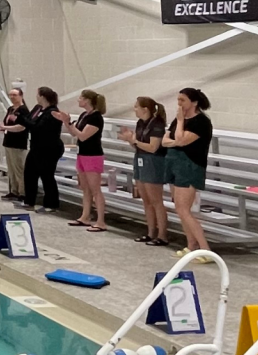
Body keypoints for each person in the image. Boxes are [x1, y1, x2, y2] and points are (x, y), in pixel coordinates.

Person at [162, 88, 214, 262]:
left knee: (184, 210)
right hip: (174, 164)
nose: (179, 104)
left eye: (182, 100)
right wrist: (177, 137)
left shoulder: (201, 122)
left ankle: (205, 250)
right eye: (178, 100)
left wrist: (180, 122)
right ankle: (191, 245)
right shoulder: (179, 121)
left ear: (194, 102)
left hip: (190, 166)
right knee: (179, 208)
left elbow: (181, 140)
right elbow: (165, 140)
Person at [54, 90, 108, 232]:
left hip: (93, 155)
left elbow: (83, 136)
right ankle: (85, 216)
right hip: (82, 153)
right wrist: (66, 122)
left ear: (88, 100)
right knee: (85, 188)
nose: (78, 100)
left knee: (95, 190)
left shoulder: (96, 118)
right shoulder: (85, 115)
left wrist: (69, 122)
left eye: (81, 98)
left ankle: (101, 221)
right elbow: (74, 133)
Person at [118, 97, 169, 246]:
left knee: (156, 200)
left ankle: (163, 235)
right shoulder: (140, 123)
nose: (134, 109)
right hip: (140, 158)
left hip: (154, 162)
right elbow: (139, 146)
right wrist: (129, 139)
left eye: (136, 107)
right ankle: (150, 232)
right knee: (146, 200)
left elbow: (153, 147)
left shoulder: (157, 124)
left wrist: (134, 141)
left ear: (145, 109)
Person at [5, 87, 64, 213]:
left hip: (49, 148)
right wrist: (21, 119)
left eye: (37, 94)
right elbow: (30, 121)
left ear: (42, 96)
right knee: (29, 173)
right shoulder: (38, 108)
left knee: (47, 176)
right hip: (36, 146)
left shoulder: (52, 112)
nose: (36, 96)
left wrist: (19, 119)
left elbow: (38, 128)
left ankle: (51, 204)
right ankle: (29, 201)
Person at [0, 88, 29, 201]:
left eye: (15, 95)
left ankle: (22, 193)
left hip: (18, 143)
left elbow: (22, 127)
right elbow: (6, 123)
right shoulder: (10, 109)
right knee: (11, 169)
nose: (12, 97)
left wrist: (5, 127)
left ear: (21, 96)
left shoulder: (24, 111)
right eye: (10, 95)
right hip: (8, 142)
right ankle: (13, 191)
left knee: (19, 169)